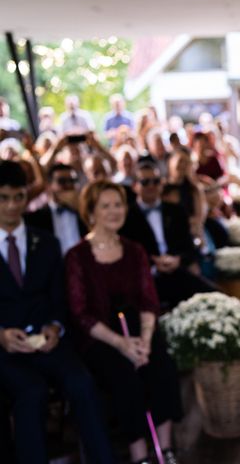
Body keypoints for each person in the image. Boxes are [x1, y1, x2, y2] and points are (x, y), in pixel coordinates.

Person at [0, 160, 114, 464]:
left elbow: (60, 299)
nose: (12, 206)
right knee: (32, 392)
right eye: (3, 198)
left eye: (18, 197)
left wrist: (54, 327)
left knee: (82, 383)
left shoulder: (47, 243)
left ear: (27, 196)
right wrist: (1, 336)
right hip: (4, 351)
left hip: (48, 343)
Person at [65, 180, 182, 464]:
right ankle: (139, 454)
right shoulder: (77, 257)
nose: (115, 211)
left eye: (118, 204)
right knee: (124, 376)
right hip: (101, 336)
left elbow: (148, 300)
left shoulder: (135, 250)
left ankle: (165, 449)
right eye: (105, 206)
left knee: (160, 363)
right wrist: (122, 344)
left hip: (139, 327)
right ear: (90, 212)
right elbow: (80, 313)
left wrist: (143, 339)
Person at [119, 162, 216, 310]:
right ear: (135, 186)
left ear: (162, 184)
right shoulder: (126, 217)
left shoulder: (175, 211)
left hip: (178, 272)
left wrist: (178, 260)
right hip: (146, 278)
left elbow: (189, 248)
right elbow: (127, 255)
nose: (151, 186)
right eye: (145, 182)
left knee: (216, 298)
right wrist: (153, 262)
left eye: (156, 181)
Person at [24, 163, 87, 255]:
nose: (69, 185)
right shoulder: (35, 219)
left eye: (73, 181)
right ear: (49, 186)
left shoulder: (87, 213)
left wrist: (80, 208)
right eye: (62, 181)